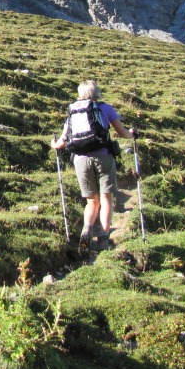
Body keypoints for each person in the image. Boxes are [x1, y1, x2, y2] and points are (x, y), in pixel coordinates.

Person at [51, 80, 135, 255]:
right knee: (106, 197)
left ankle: (86, 231)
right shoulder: (105, 108)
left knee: (91, 201)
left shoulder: (73, 110)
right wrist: (132, 134)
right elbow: (122, 132)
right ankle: (104, 237)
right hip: (103, 156)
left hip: (81, 160)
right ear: (97, 91)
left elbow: (62, 141)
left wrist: (54, 144)